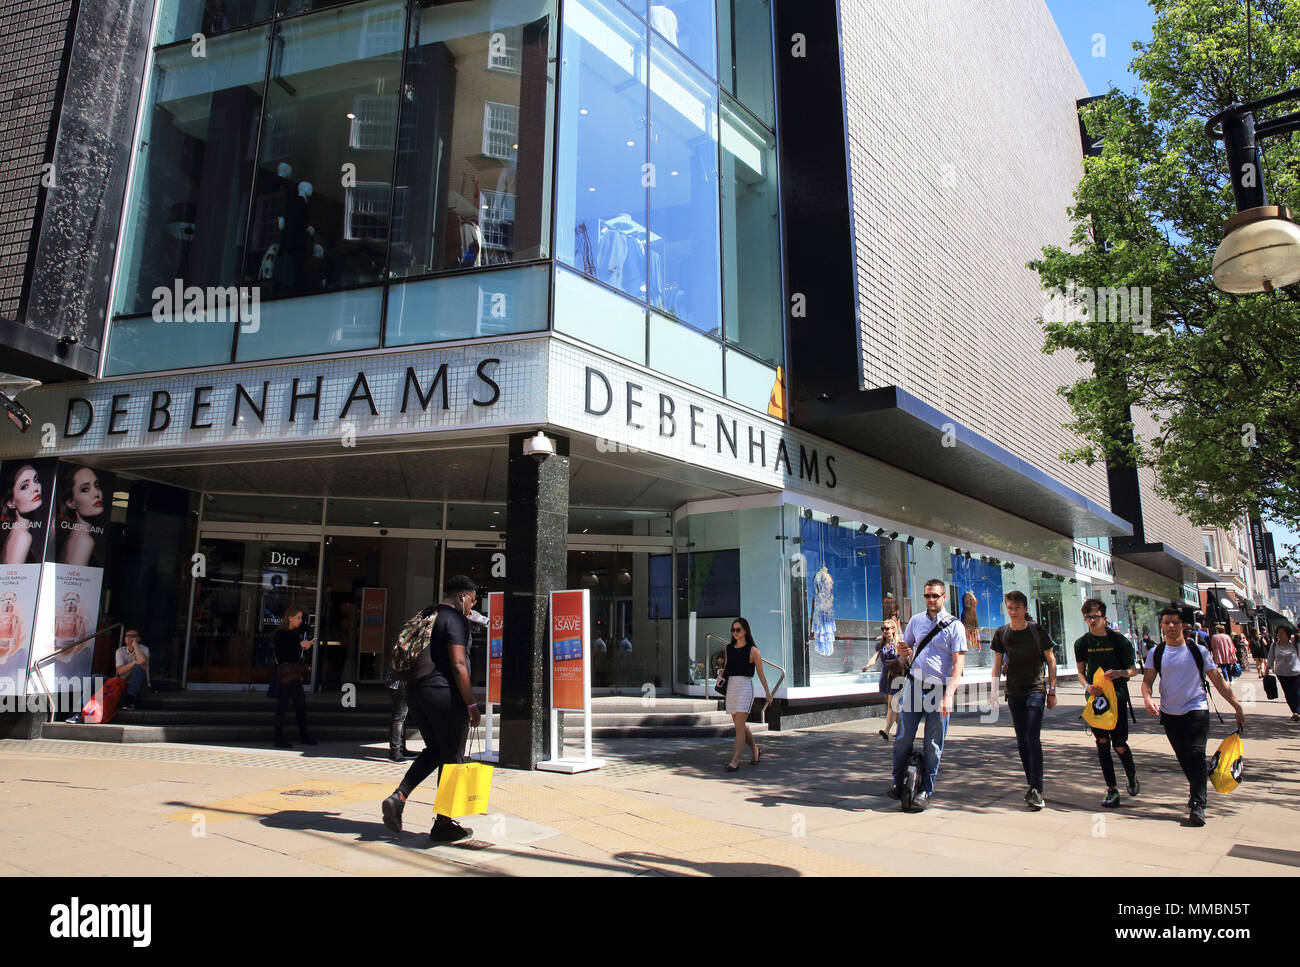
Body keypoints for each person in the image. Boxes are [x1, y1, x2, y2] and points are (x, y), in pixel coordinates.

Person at [381, 575, 482, 843]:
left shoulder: (427, 613)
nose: (472, 607)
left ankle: (399, 796)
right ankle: (444, 824)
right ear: (462, 596)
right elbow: (459, 664)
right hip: (445, 695)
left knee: (436, 750)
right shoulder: (456, 619)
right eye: (472, 600)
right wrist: (471, 703)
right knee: (452, 759)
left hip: (416, 693)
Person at [1141, 607, 1245, 826]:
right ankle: (1197, 790)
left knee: (1197, 753)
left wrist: (1237, 706)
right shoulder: (1156, 653)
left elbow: (1218, 681)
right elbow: (1147, 681)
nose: (1170, 626)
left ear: (1182, 626)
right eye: (1166, 622)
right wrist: (1148, 699)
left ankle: (1198, 804)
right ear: (1161, 625)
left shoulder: (1198, 651)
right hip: (1170, 713)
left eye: (1174, 622)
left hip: (1197, 709)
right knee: (1185, 757)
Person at [886, 579, 967, 810]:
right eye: (927, 596)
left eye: (935, 596)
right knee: (902, 739)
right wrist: (903, 652)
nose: (931, 600)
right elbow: (906, 653)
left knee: (933, 744)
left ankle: (926, 790)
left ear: (944, 597)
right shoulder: (916, 621)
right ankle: (896, 783)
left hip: (939, 689)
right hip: (914, 685)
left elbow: (958, 663)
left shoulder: (955, 626)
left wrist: (949, 695)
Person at [990, 590, 1058, 810]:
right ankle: (1032, 785)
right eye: (1010, 608)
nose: (1013, 612)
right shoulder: (1002, 633)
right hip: (1014, 691)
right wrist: (993, 691)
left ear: (1025, 608)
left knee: (1032, 737)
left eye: (1017, 608)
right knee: (1021, 739)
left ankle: (1037, 788)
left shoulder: (1037, 631)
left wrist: (1052, 690)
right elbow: (997, 663)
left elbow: (1051, 660)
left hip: (1036, 690)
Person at [1074, 598, 1140, 808]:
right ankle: (1111, 789)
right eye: (1088, 617)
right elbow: (1080, 673)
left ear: (1103, 616)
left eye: (1095, 617)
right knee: (1102, 744)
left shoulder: (1119, 641)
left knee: (1119, 744)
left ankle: (1131, 775)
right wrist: (1088, 687)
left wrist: (1120, 673)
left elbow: (1133, 670)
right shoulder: (1082, 643)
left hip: (1117, 698)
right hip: (1096, 702)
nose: (1092, 621)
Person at [718, 616, 772, 771]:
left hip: (745, 688)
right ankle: (755, 749)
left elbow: (761, 674)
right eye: (733, 630)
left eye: (738, 630)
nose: (735, 632)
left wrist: (768, 693)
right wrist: (721, 676)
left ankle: (734, 761)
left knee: (739, 726)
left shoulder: (753, 651)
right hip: (732, 687)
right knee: (739, 725)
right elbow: (727, 669)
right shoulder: (729, 648)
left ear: (745, 631)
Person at [271, 606, 316, 748]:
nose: (300, 620)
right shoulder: (281, 633)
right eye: (298, 617)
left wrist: (303, 647)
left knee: (301, 705)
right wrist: (300, 646)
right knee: (282, 706)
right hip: (286, 675)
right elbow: (283, 653)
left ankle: (304, 735)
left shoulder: (295, 633)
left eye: (301, 617)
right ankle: (278, 738)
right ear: (290, 618)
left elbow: (294, 652)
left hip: (294, 675)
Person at [862, 617, 908, 742]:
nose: (884, 631)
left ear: (893, 629)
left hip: (896, 675)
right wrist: (867, 666)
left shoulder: (898, 643)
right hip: (885, 676)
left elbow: (905, 657)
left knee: (892, 705)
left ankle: (887, 730)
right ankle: (904, 731)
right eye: (883, 629)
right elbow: (874, 658)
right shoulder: (881, 644)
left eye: (887, 628)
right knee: (893, 705)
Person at [56, 466, 104, 567]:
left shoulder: (75, 537)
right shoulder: (83, 541)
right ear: (70, 502)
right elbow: (76, 581)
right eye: (85, 489)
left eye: (97, 486)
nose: (96, 493)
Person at [1, 463, 44, 564]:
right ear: (11, 502)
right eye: (25, 486)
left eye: (36, 480)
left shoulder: (15, 535)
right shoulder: (22, 537)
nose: (35, 488)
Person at [1262, 625, 1300, 723]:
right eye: (1278, 632)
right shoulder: (1274, 645)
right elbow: (1270, 658)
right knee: (1288, 693)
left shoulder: (1295, 645)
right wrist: (1267, 670)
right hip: (1281, 674)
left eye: (1282, 632)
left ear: (1287, 634)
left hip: (1295, 673)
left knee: (1296, 693)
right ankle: (1295, 712)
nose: (1279, 634)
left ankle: (1298, 711)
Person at [114, 629, 150, 711]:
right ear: (125, 639)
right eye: (127, 636)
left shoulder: (144, 649)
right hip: (124, 684)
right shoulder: (120, 651)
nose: (130, 638)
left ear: (138, 639)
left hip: (141, 686)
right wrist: (134, 662)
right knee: (96, 677)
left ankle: (129, 701)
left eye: (133, 636)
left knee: (139, 666)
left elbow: (142, 661)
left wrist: (136, 646)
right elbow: (120, 671)